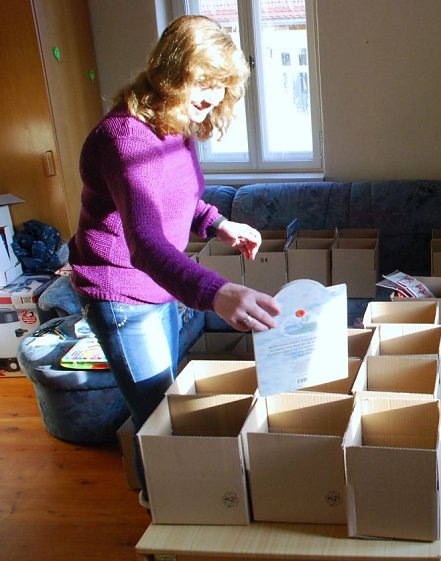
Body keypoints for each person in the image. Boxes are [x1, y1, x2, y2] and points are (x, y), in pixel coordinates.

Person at [68, 15, 280, 506]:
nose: (211, 97)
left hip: (157, 285)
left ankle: (172, 496)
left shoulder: (177, 127)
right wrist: (216, 292)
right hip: (118, 290)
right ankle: (160, 510)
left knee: (165, 407)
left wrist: (217, 223)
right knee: (158, 415)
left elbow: (179, 202)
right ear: (172, 71)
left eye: (222, 86)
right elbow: (145, 243)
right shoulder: (124, 140)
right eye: (204, 82)